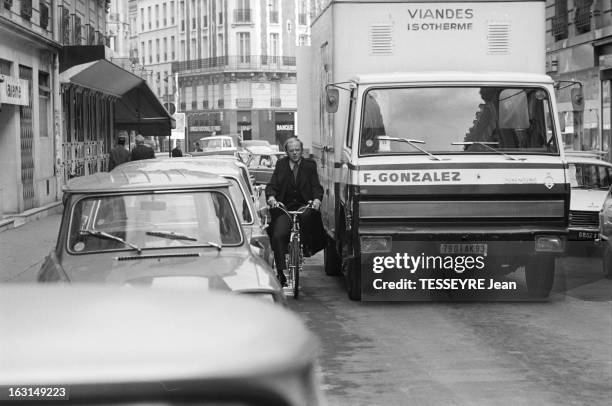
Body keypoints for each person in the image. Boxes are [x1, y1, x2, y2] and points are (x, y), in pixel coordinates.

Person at [265, 137, 325, 286]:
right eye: (291, 151)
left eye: (297, 150)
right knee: (278, 235)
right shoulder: (281, 164)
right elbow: (272, 185)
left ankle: (304, 246)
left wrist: (317, 200)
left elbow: (316, 186)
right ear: (286, 152)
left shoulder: (310, 166)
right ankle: (281, 272)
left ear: (301, 150)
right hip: (284, 207)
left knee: (307, 218)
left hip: (303, 205)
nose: (295, 153)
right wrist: (272, 198)